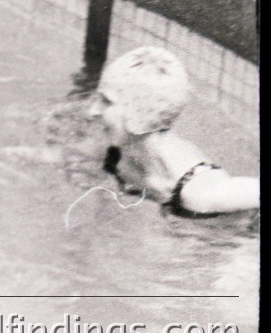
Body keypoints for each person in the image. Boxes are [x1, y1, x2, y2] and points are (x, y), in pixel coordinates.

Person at [88, 46, 259, 217]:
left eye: (106, 101)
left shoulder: (199, 191)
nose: (92, 111)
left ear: (140, 112)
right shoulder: (118, 149)